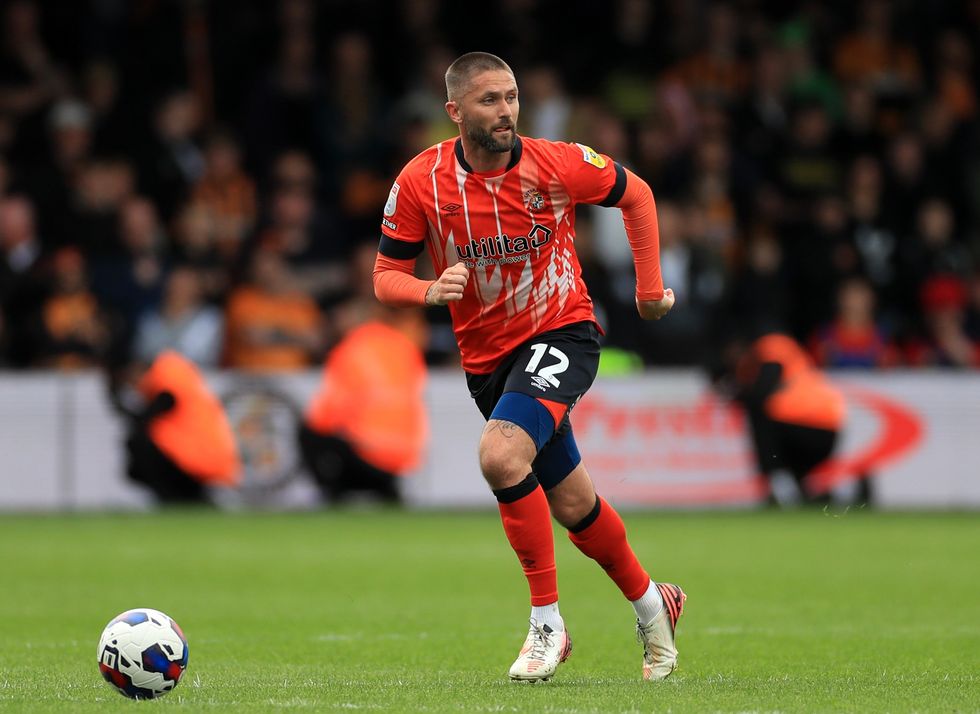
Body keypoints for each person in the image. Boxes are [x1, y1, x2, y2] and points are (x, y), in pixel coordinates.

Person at [373, 52, 684, 683]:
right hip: (488, 361)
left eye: (511, 96)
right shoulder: (420, 181)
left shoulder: (558, 163)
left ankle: (548, 624)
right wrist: (429, 291)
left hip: (562, 331)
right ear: (455, 113)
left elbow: (639, 195)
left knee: (500, 456)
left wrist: (648, 290)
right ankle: (655, 604)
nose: (506, 110)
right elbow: (385, 278)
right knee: (572, 503)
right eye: (489, 100)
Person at [298, 304, 428, 505]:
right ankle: (387, 489)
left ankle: (334, 492)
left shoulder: (350, 349)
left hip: (366, 451)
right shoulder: (404, 345)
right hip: (404, 453)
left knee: (309, 432)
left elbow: (325, 414)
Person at [723, 332, 853, 506]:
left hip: (802, 420)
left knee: (760, 416)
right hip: (829, 428)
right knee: (798, 467)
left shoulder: (772, 343)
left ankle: (777, 482)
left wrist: (734, 396)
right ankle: (814, 492)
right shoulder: (791, 360)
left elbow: (762, 393)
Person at [111, 350, 241, 504]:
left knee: (139, 442)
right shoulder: (172, 372)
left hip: (197, 454)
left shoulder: (168, 367)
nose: (134, 386)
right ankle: (184, 498)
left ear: (136, 368)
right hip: (196, 452)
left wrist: (135, 415)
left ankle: (175, 497)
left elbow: (167, 400)